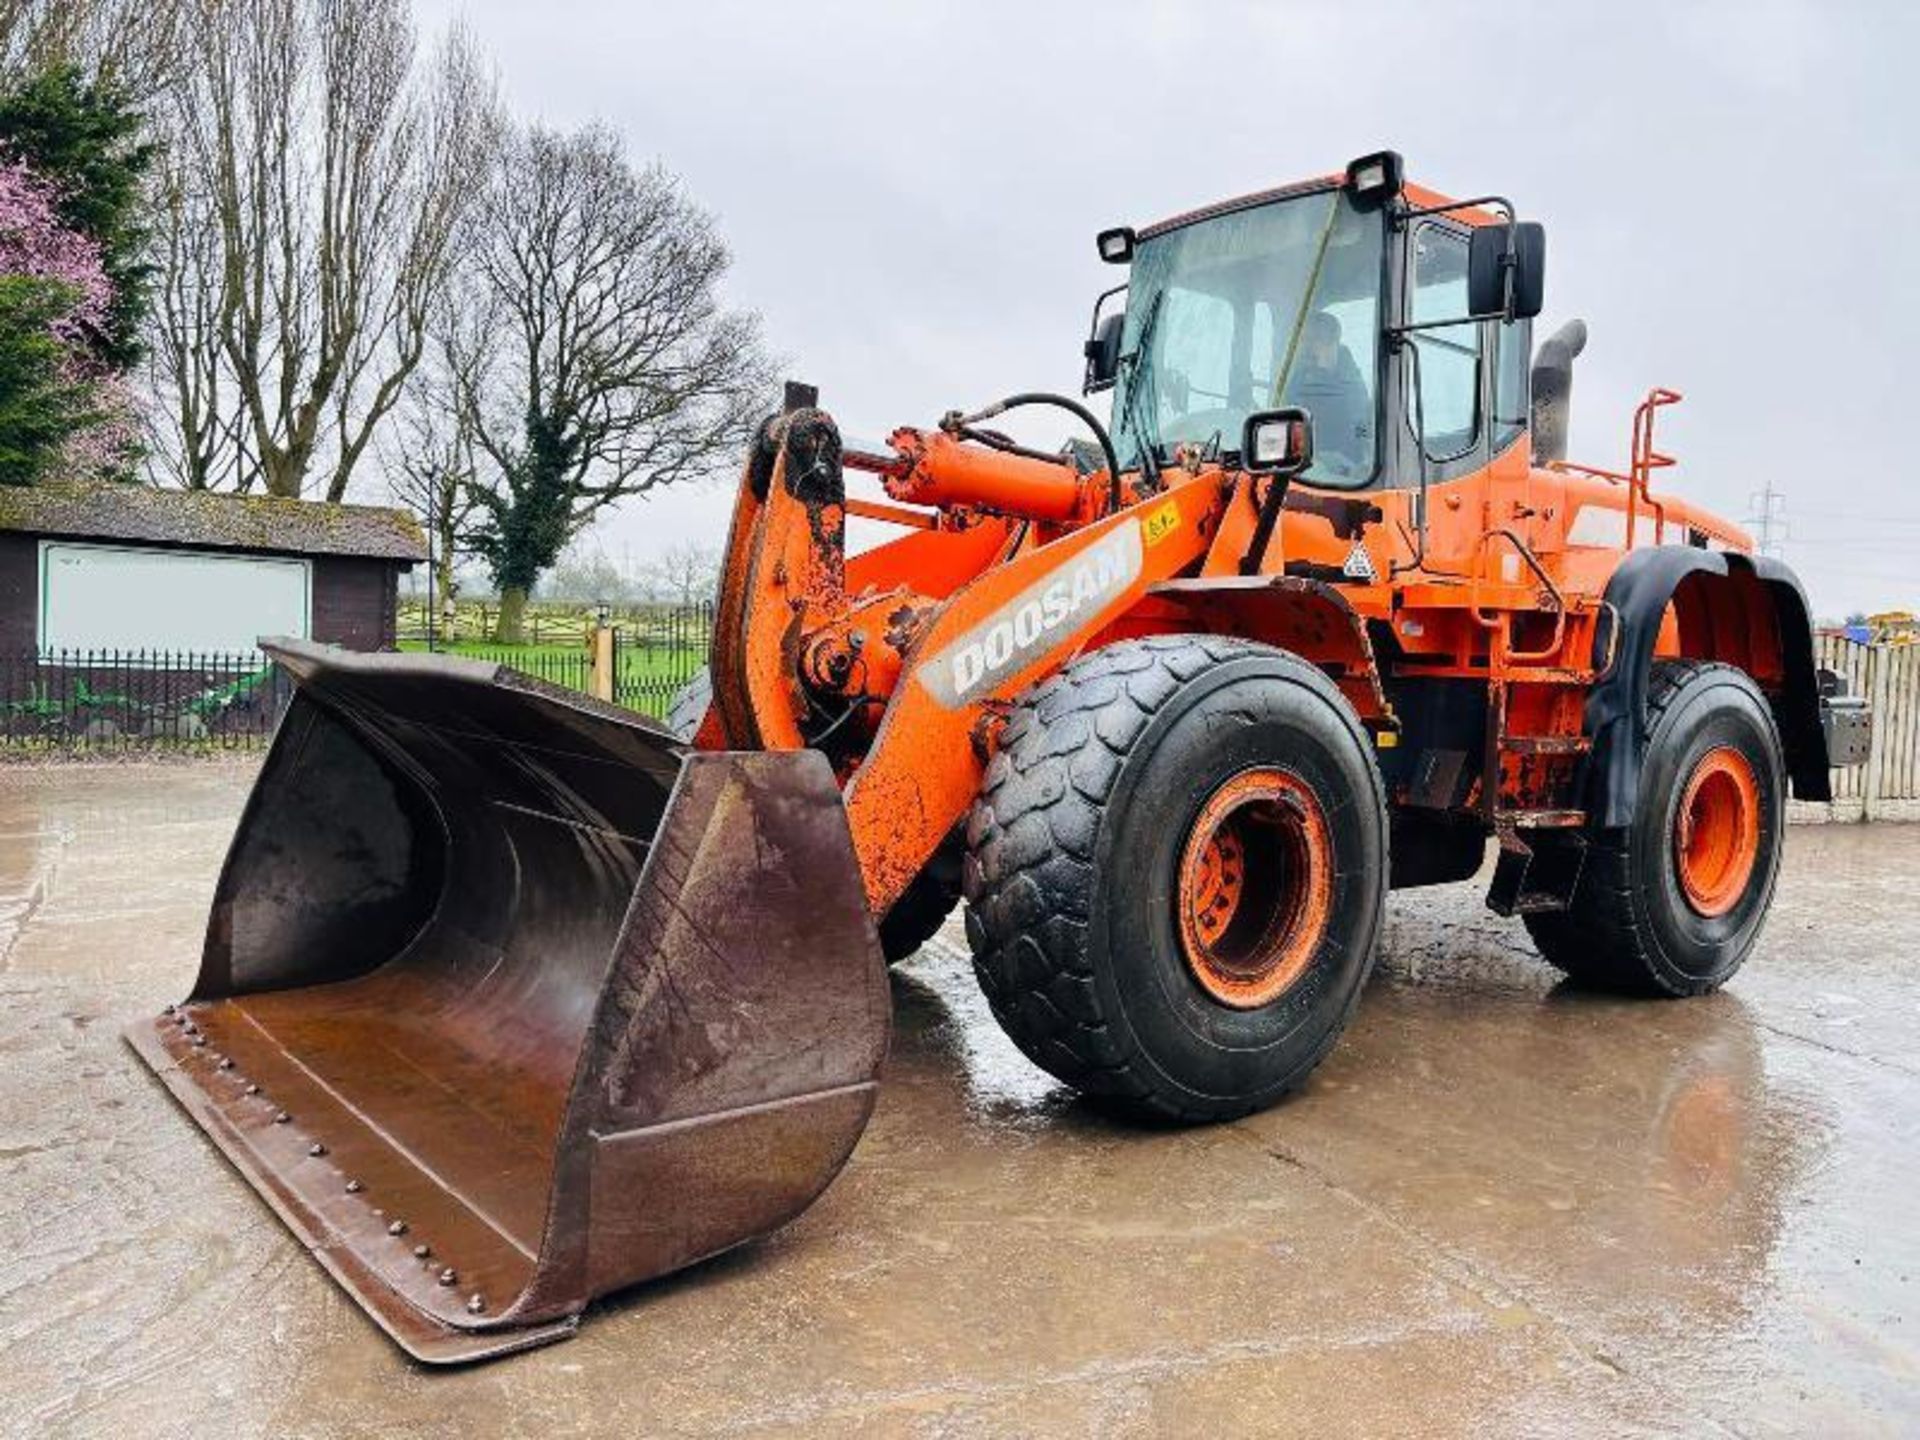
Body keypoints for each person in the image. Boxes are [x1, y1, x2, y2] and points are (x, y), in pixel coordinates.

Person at [1280, 311, 1371, 476]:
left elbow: (1359, 432)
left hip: (1340, 470)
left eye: (1313, 341)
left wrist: (1330, 458)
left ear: (1331, 344)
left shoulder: (1352, 387)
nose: (1305, 348)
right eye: (1303, 341)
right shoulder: (1298, 378)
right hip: (1299, 464)